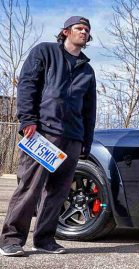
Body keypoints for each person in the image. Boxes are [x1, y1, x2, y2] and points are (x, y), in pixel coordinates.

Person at [0, 16, 96, 256]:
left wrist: (86, 141)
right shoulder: (45, 52)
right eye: (79, 28)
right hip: (43, 132)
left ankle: (44, 239)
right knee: (31, 187)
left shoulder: (88, 69)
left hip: (72, 137)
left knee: (59, 191)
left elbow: (89, 109)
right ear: (65, 31)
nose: (83, 32)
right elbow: (28, 85)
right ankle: (11, 239)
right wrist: (28, 119)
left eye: (87, 30)